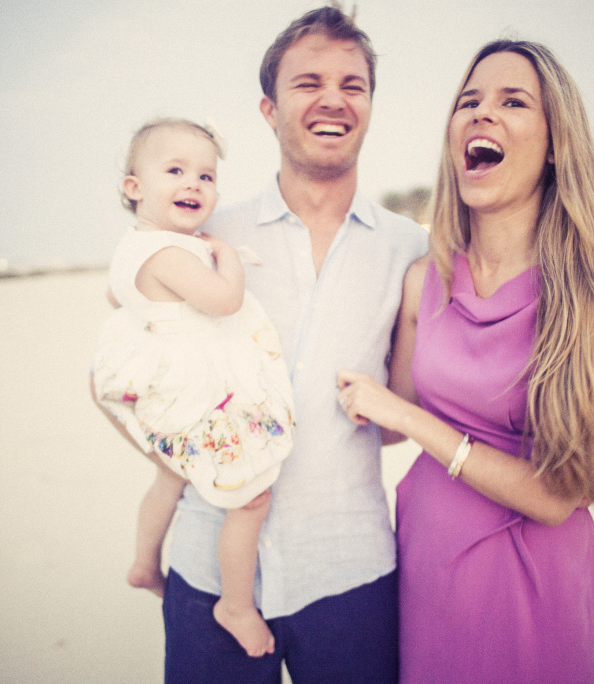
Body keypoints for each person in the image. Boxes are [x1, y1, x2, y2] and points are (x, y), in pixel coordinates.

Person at [337, 39, 594, 682]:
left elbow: (557, 494)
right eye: (469, 101)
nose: (482, 113)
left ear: (555, 144)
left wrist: (411, 418)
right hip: (426, 566)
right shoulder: (422, 280)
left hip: (531, 584)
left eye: (513, 101)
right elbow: (387, 422)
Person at [159, 5, 428, 683]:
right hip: (209, 567)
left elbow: (401, 416)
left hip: (350, 573)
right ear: (269, 109)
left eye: (353, 84)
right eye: (307, 83)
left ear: (369, 106)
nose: (333, 98)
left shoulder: (412, 251)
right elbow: (131, 373)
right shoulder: (203, 235)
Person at [91, 118, 295, 658]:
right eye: (175, 170)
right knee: (250, 498)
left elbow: (120, 302)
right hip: (198, 394)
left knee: (168, 477)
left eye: (206, 175)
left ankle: (143, 562)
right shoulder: (171, 253)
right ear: (134, 187)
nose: (194, 184)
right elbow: (224, 302)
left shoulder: (132, 248)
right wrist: (227, 257)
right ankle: (235, 603)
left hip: (169, 392)